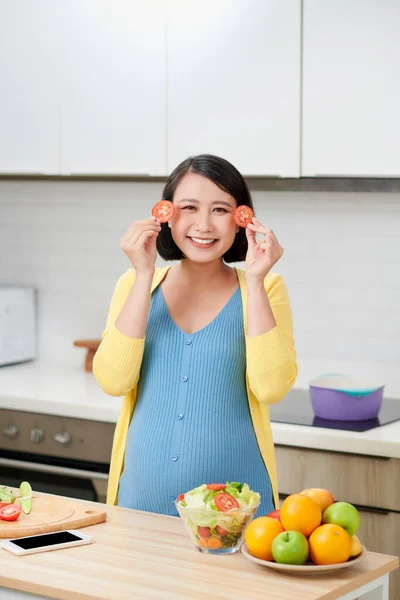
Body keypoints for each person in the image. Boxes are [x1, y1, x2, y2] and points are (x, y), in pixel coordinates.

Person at [93, 154, 298, 517]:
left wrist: (256, 278)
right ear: (167, 215)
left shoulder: (265, 289)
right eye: (190, 207)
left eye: (220, 210)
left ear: (240, 221)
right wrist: (143, 276)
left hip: (236, 520)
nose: (204, 225)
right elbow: (113, 380)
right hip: (139, 510)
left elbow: (272, 388)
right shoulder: (134, 285)